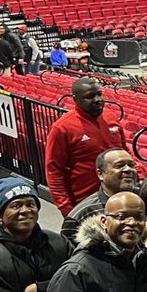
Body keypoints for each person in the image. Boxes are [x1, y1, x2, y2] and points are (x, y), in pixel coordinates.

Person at [45, 77, 127, 216]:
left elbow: (125, 152)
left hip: (120, 197)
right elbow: (54, 171)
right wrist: (67, 210)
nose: (97, 99)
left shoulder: (110, 116)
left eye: (99, 94)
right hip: (86, 204)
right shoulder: (62, 128)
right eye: (89, 96)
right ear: (75, 99)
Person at [60, 148, 138, 243]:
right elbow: (68, 254)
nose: (128, 169)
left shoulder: (146, 200)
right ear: (100, 174)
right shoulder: (81, 214)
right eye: (119, 166)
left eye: (131, 165)